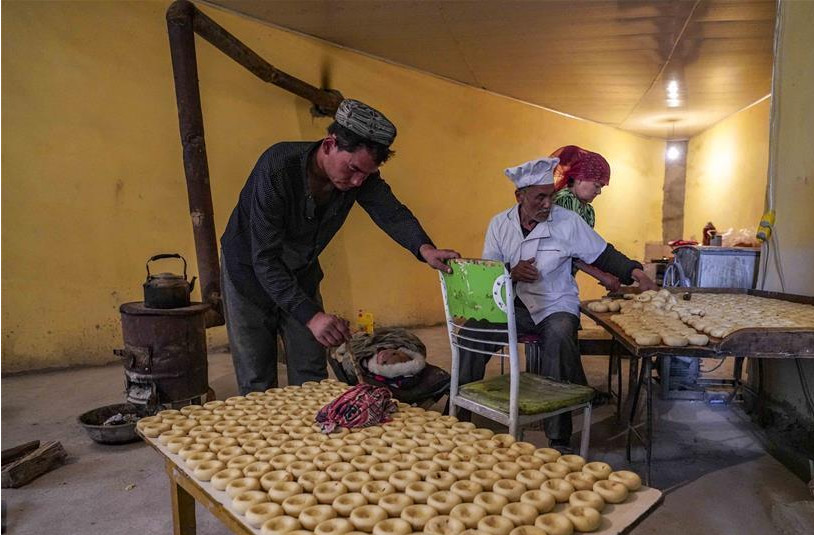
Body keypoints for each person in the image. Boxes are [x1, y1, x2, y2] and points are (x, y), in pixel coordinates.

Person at [220, 99, 458, 394]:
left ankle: (310, 437)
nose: (358, 181)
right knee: (257, 377)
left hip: (300, 271)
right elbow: (265, 259)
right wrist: (313, 316)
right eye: (353, 169)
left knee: (310, 371)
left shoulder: (361, 178)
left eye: (366, 175)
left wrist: (425, 248)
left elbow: (391, 211)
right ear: (330, 144)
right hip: (249, 273)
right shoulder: (277, 169)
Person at [457, 157, 655, 452]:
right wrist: (511, 272)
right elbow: (489, 272)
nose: (548, 204)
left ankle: (558, 437)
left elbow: (603, 254)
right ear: (520, 196)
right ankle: (458, 417)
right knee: (471, 335)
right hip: (514, 305)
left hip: (555, 304)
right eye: (540, 197)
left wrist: (637, 273)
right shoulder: (499, 224)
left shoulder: (568, 222)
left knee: (561, 334)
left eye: (550, 195)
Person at [550, 145, 621, 291]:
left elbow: (588, 249)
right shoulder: (564, 201)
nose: (599, 192)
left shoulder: (588, 210)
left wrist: (610, 271)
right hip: (549, 283)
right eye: (596, 185)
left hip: (564, 283)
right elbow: (568, 251)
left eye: (601, 187)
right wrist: (601, 276)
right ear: (579, 178)